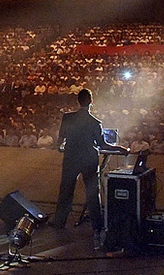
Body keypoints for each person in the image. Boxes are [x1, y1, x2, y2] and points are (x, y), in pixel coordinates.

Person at [51, 89, 127, 250]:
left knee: (66, 190)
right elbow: (102, 145)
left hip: (71, 157)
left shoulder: (67, 117)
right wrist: (120, 148)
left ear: (78, 101)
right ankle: (97, 227)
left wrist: (61, 147)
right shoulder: (95, 122)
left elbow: (60, 140)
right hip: (89, 159)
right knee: (93, 193)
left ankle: (59, 222)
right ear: (91, 102)